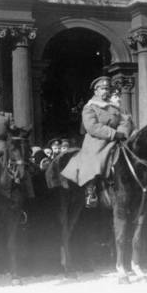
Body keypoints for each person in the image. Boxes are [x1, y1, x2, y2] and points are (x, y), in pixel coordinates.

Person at [61, 76, 132, 208]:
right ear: (96, 91)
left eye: (108, 88)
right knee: (96, 161)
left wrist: (122, 132)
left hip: (117, 141)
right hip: (96, 142)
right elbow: (92, 127)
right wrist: (114, 133)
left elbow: (125, 121)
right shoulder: (90, 108)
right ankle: (91, 191)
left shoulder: (115, 107)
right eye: (103, 89)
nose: (107, 91)